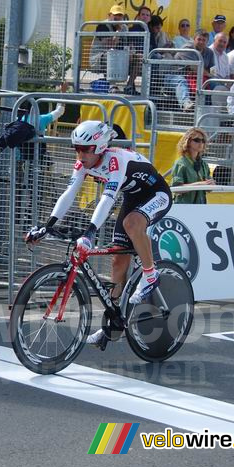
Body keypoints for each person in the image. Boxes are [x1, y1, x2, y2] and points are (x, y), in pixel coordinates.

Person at [25, 120, 172, 350]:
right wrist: (48, 225)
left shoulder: (115, 159)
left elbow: (107, 198)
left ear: (101, 147)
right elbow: (69, 193)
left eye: (86, 149)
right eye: (77, 149)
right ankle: (111, 325)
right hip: (132, 197)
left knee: (132, 223)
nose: (80, 154)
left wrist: (90, 233)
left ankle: (150, 275)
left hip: (157, 194)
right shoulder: (82, 163)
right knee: (117, 262)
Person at [89, 4, 141, 94]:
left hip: (120, 56)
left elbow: (128, 44)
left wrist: (132, 53)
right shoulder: (103, 26)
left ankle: (129, 86)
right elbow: (110, 45)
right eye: (115, 15)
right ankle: (112, 86)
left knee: (138, 58)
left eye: (120, 15)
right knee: (111, 56)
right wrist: (118, 32)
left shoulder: (124, 27)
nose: (117, 18)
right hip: (98, 58)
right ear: (109, 15)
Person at [171, 128, 215, 204]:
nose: (201, 143)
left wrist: (211, 185)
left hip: (200, 206)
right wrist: (199, 184)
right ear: (188, 142)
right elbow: (176, 188)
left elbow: (209, 189)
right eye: (197, 140)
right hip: (184, 206)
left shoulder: (204, 164)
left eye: (203, 141)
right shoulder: (180, 163)